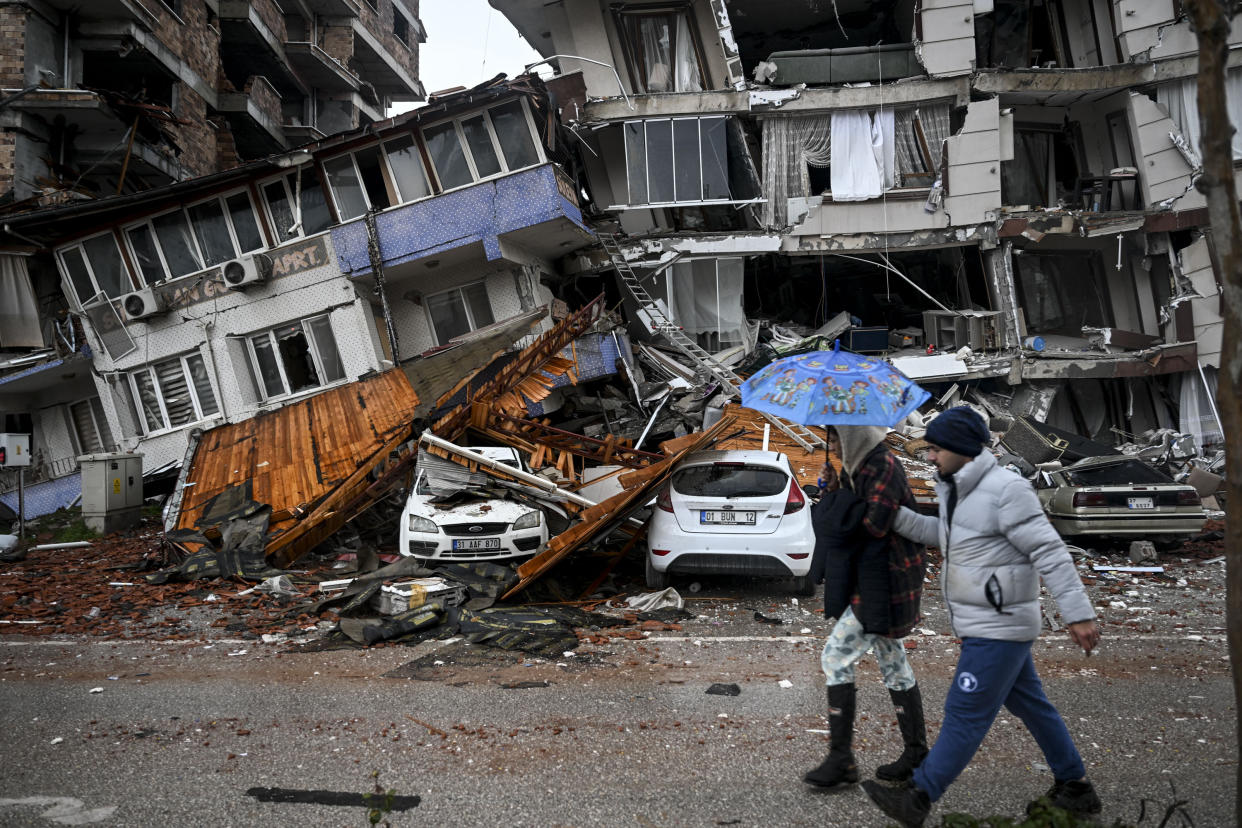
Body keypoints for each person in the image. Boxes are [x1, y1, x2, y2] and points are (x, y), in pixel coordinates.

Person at [862, 406, 1103, 827]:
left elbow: (1048, 551)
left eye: (936, 448)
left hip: (1000, 624)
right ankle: (1075, 786)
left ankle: (918, 798)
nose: (930, 457)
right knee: (1032, 705)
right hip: (987, 622)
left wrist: (1078, 614)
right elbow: (946, 537)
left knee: (964, 712)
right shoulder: (958, 489)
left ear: (960, 448)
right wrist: (894, 516)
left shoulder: (1006, 490)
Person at [804, 424, 928, 791]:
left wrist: (841, 500)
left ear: (853, 435)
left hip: (888, 577)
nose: (831, 445)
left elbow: (874, 524)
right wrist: (835, 487)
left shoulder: (883, 466)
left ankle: (841, 760)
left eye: (834, 437)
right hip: (870, 574)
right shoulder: (858, 467)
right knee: (893, 661)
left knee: (835, 656)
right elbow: (852, 516)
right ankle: (916, 752)